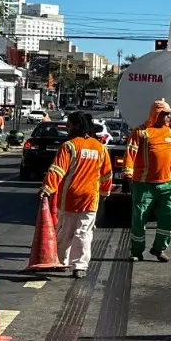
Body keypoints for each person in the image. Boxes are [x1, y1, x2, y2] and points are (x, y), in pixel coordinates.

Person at [40, 112, 112, 279]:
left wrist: (47, 188)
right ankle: (80, 266)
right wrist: (104, 193)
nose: (67, 128)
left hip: (69, 199)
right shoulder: (100, 147)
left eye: (70, 125)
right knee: (84, 233)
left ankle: (61, 261)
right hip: (90, 199)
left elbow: (57, 170)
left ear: (76, 126)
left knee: (65, 232)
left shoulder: (69, 146)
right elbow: (107, 174)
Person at [124, 99, 171, 263]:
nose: (168, 118)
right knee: (139, 218)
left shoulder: (169, 133)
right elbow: (130, 153)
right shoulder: (141, 132)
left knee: (169, 215)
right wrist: (127, 175)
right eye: (165, 114)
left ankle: (159, 249)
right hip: (144, 185)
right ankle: (136, 251)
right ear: (156, 114)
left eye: (169, 115)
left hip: (167, 185)